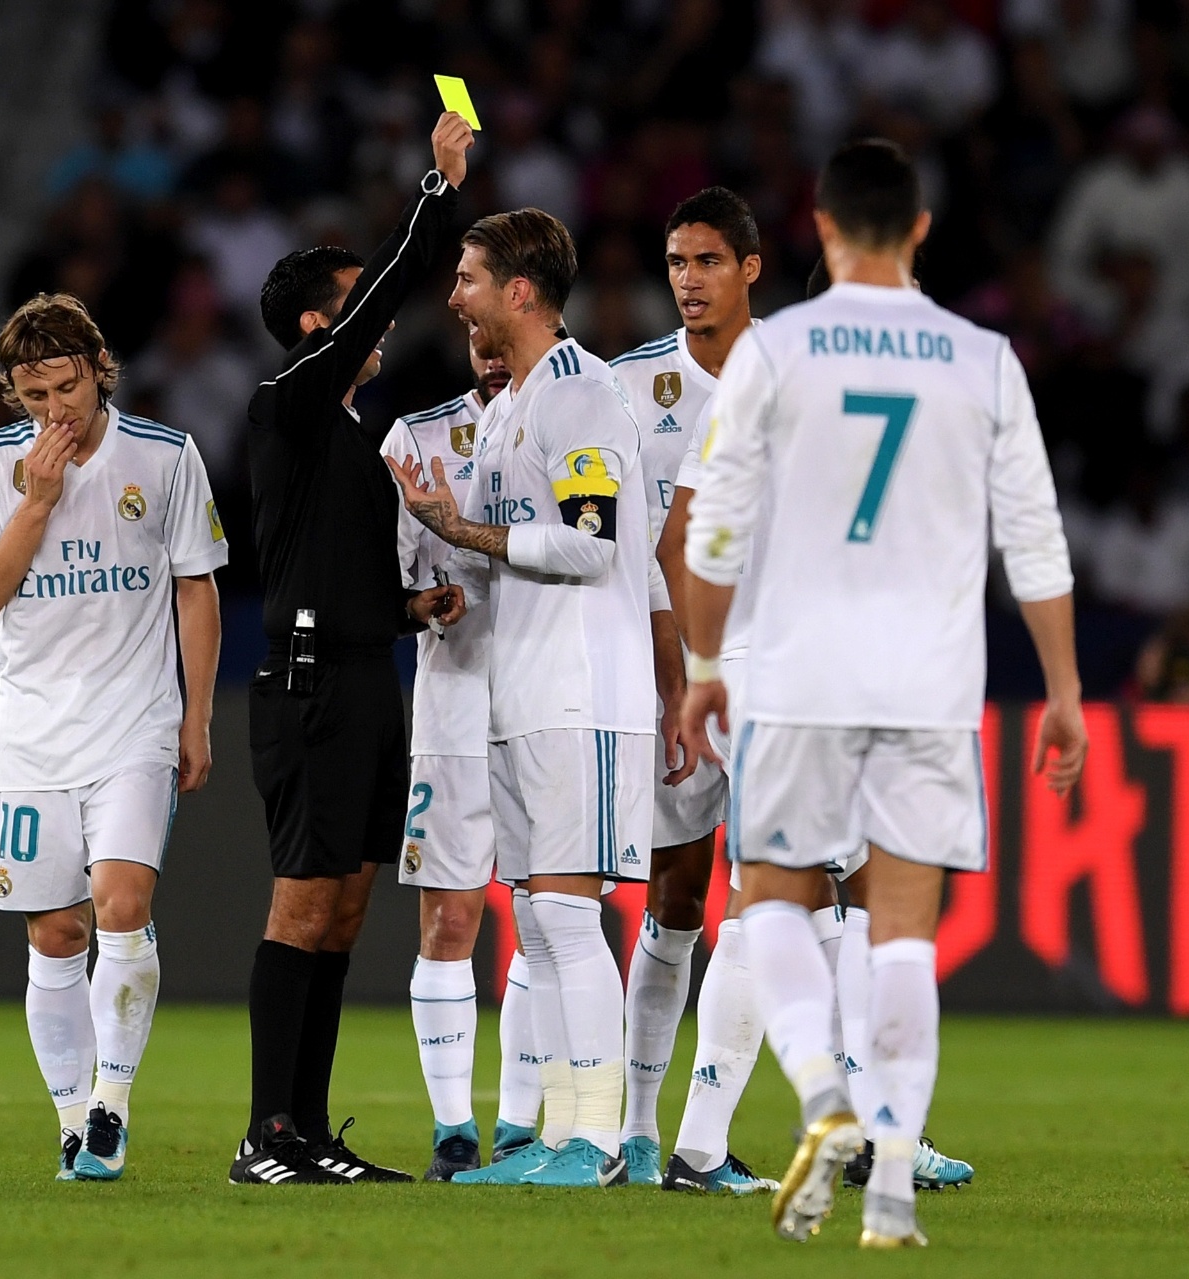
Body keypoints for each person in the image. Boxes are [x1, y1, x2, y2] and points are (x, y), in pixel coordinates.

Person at [682, 139, 1087, 1247]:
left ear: (819, 228)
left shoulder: (775, 351)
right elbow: (1036, 542)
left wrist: (705, 668)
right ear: (918, 230)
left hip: (800, 671)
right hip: (930, 682)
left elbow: (714, 528)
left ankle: (824, 1096)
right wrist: (1062, 689)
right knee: (902, 934)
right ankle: (893, 1185)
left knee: (773, 899)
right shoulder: (983, 359)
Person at [231, 113, 473, 1188]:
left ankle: (311, 1130)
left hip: (371, 675)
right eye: (353, 299)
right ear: (316, 323)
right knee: (302, 899)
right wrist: (438, 192)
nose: (375, 316)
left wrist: (412, 607)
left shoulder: (352, 438)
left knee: (343, 909)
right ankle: (266, 1133)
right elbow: (384, 294)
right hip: (311, 685)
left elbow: (342, 567)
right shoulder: (285, 403)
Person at [389, 207, 654, 1188]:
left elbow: (590, 544)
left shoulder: (580, 394)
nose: (453, 296)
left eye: (468, 278)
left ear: (521, 291)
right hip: (520, 693)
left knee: (569, 919)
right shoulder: (511, 408)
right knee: (540, 922)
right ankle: (562, 1132)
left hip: (581, 691)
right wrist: (448, 542)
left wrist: (462, 528)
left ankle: (598, 1138)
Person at [0, 292, 228, 1183]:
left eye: (67, 388)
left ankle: (110, 1105)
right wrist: (36, 504)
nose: (55, 411)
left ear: (100, 370)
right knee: (58, 934)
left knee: (120, 902)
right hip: (34, 737)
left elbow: (196, 586)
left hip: (134, 724)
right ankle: (73, 1122)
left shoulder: (166, 456)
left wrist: (195, 715)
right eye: (34, 397)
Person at [605, 186, 770, 1191]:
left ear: (750, 267)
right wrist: (675, 677)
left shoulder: (791, 373)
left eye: (707, 261)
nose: (689, 280)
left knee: (781, 891)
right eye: (676, 263)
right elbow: (645, 549)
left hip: (771, 668)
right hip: (672, 672)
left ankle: (709, 1138)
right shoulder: (630, 388)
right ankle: (638, 1129)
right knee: (675, 895)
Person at [378, 338, 514, 1180]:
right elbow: (379, 584)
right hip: (455, 704)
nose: (490, 355)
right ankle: (455, 1130)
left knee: (553, 920)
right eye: (478, 339)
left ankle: (529, 1127)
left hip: (556, 704)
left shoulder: (587, 420)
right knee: (451, 921)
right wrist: (420, 603)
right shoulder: (416, 440)